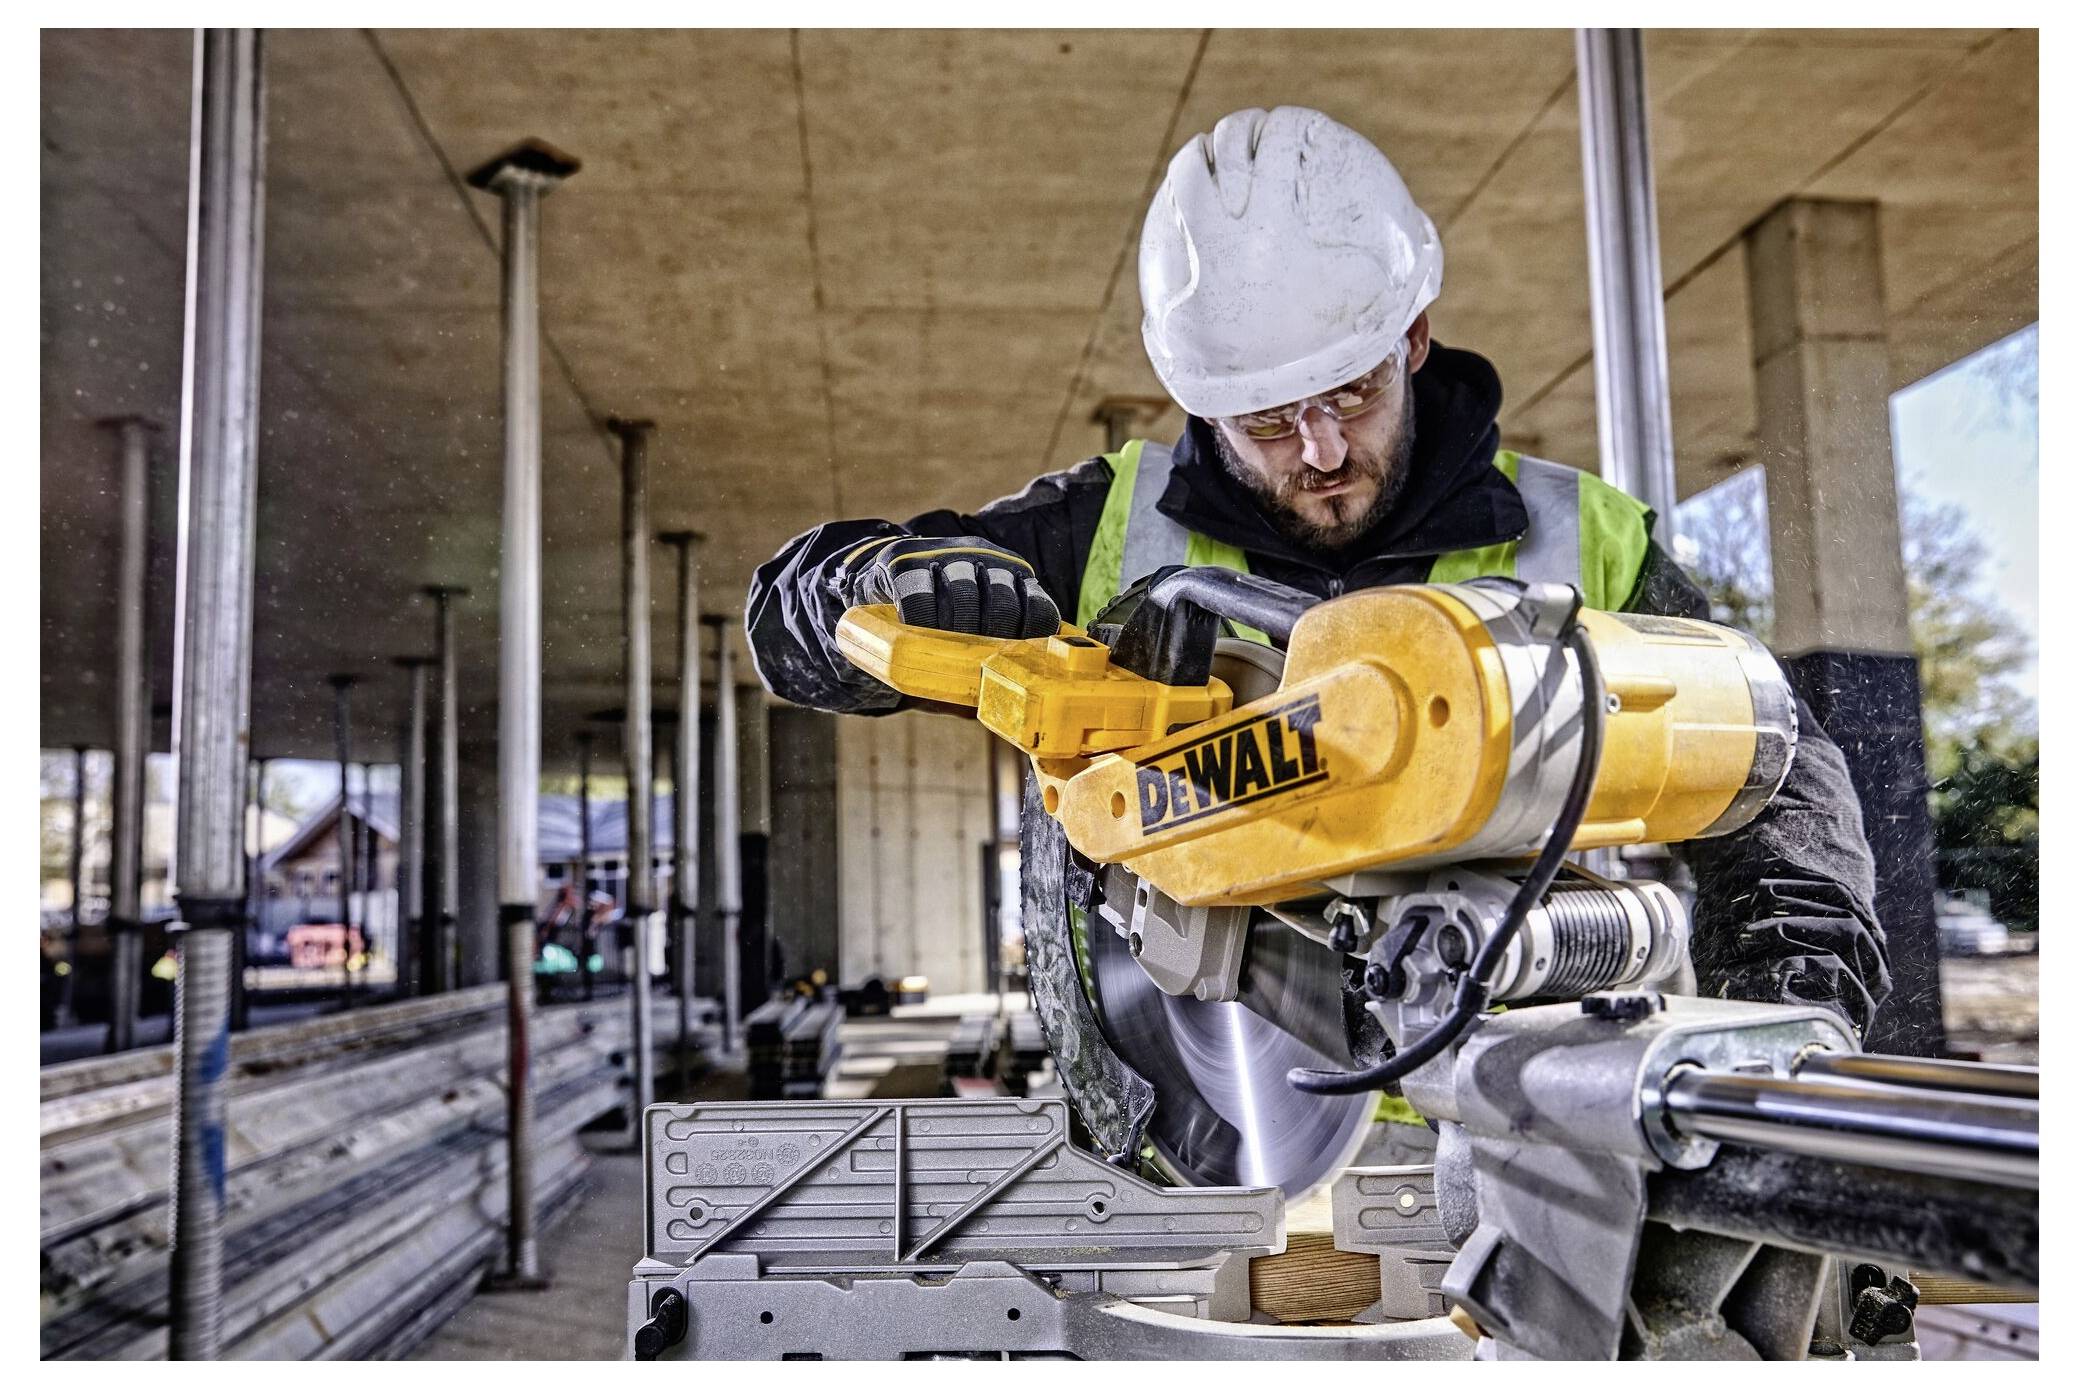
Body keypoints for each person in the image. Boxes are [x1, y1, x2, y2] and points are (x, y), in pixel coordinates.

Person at [747, 106, 1891, 1037]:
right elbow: (800, 620)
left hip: (1530, 1135)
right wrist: (876, 580)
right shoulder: (1106, 530)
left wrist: (1789, 1010)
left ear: (1415, 336)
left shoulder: (1582, 537)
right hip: (1195, 1147)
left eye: (1351, 393)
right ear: (1200, 400)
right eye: (1267, 421)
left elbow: (1772, 766)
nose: (1323, 450)